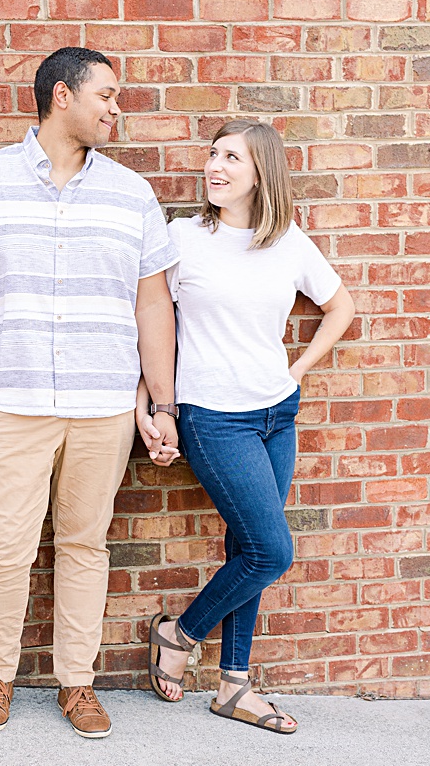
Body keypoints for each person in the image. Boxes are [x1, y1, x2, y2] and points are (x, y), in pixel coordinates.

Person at [0, 46, 180, 738]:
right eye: (108, 96)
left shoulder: (131, 194)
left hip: (101, 407)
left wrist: (162, 401)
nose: (116, 109)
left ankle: (78, 684)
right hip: (8, 399)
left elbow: (153, 304)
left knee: (85, 545)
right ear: (62, 95)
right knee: (3, 546)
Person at [139, 120, 355, 734]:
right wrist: (153, 406)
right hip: (213, 417)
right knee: (270, 550)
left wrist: (297, 371)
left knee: (247, 547)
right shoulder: (182, 238)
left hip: (276, 413)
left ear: (261, 173)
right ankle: (178, 635)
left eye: (232, 157)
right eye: (213, 154)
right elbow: (153, 327)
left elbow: (341, 306)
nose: (216, 166)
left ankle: (235, 685)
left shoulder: (286, 241)